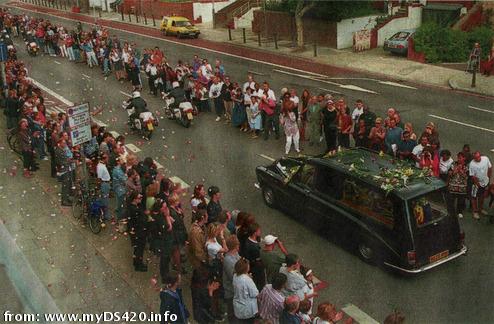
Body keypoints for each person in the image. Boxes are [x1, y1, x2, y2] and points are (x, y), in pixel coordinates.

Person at [150, 199, 174, 283]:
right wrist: (167, 216)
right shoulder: (158, 218)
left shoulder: (158, 214)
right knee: (164, 259)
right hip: (162, 242)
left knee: (166, 259)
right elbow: (169, 227)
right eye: (164, 207)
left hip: (164, 240)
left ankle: (166, 273)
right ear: (160, 208)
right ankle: (165, 277)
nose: (166, 208)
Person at [127, 192, 148, 271]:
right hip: (138, 233)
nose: (141, 199)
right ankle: (138, 265)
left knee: (137, 249)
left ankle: (136, 262)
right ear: (134, 199)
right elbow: (140, 221)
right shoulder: (134, 210)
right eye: (139, 198)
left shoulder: (135, 206)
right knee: (139, 249)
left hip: (138, 232)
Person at [242, 222, 265, 290]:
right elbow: (257, 259)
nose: (260, 231)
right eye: (259, 230)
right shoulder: (254, 247)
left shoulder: (247, 240)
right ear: (255, 233)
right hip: (255, 267)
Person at [469, 151, 492, 220]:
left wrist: (488, 178)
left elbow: (490, 168)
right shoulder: (472, 164)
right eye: (476, 158)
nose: (478, 159)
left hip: (485, 182)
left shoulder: (485, 159)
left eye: (479, 157)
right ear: (474, 158)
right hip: (475, 184)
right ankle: (475, 211)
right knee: (474, 197)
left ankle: (480, 209)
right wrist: (477, 184)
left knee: (482, 196)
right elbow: (473, 176)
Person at [223, 236, 241, 321]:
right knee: (232, 312)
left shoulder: (235, 254)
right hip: (231, 291)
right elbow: (233, 278)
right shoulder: (228, 261)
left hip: (235, 290)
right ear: (235, 246)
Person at [448, 152, 468, 219]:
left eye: (460, 157)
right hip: (453, 186)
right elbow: (450, 174)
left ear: (464, 158)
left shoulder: (467, 166)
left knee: (461, 200)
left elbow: (466, 177)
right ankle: (451, 212)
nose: (459, 159)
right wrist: (455, 170)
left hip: (462, 187)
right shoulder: (453, 164)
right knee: (451, 200)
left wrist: (461, 171)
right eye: (458, 157)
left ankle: (459, 212)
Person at [112, 157, 127, 228]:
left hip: (116, 188)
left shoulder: (116, 169)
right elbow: (125, 180)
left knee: (119, 203)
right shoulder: (119, 172)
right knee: (121, 206)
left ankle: (117, 209)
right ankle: (119, 221)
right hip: (120, 191)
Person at [96, 153, 111, 221]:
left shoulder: (102, 165)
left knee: (105, 199)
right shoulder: (100, 167)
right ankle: (106, 216)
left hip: (106, 183)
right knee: (105, 201)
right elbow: (99, 178)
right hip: (104, 184)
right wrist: (99, 187)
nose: (108, 159)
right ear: (104, 159)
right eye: (107, 158)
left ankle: (105, 214)